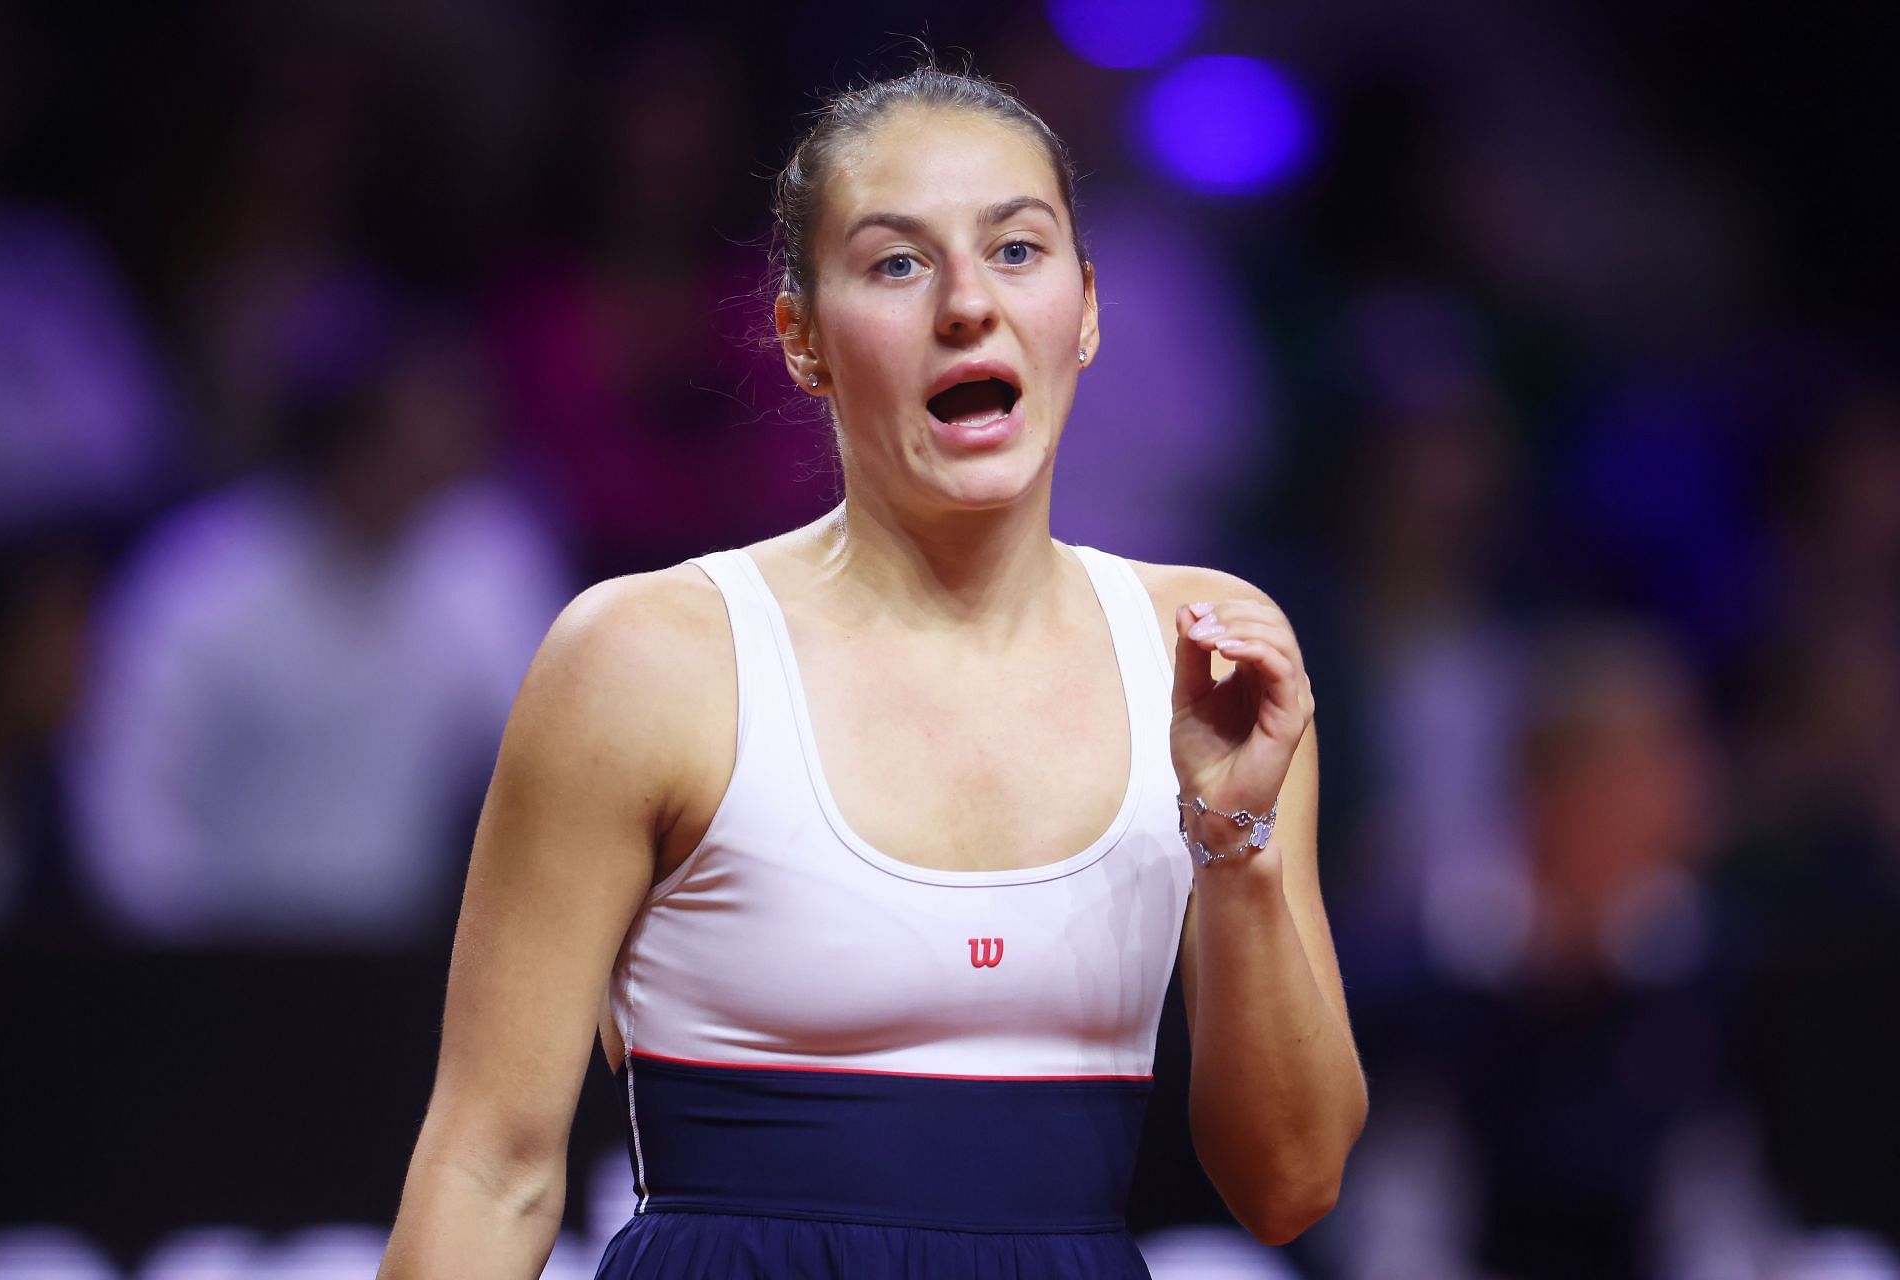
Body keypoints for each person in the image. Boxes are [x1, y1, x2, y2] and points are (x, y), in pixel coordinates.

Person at [378, 62, 1367, 1280]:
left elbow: (1292, 1183)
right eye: (899, 263)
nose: (968, 303)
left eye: (1018, 249)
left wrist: (1234, 836)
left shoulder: (1208, 655)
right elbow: (492, 1168)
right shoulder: (643, 660)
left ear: (1089, 309)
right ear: (800, 339)